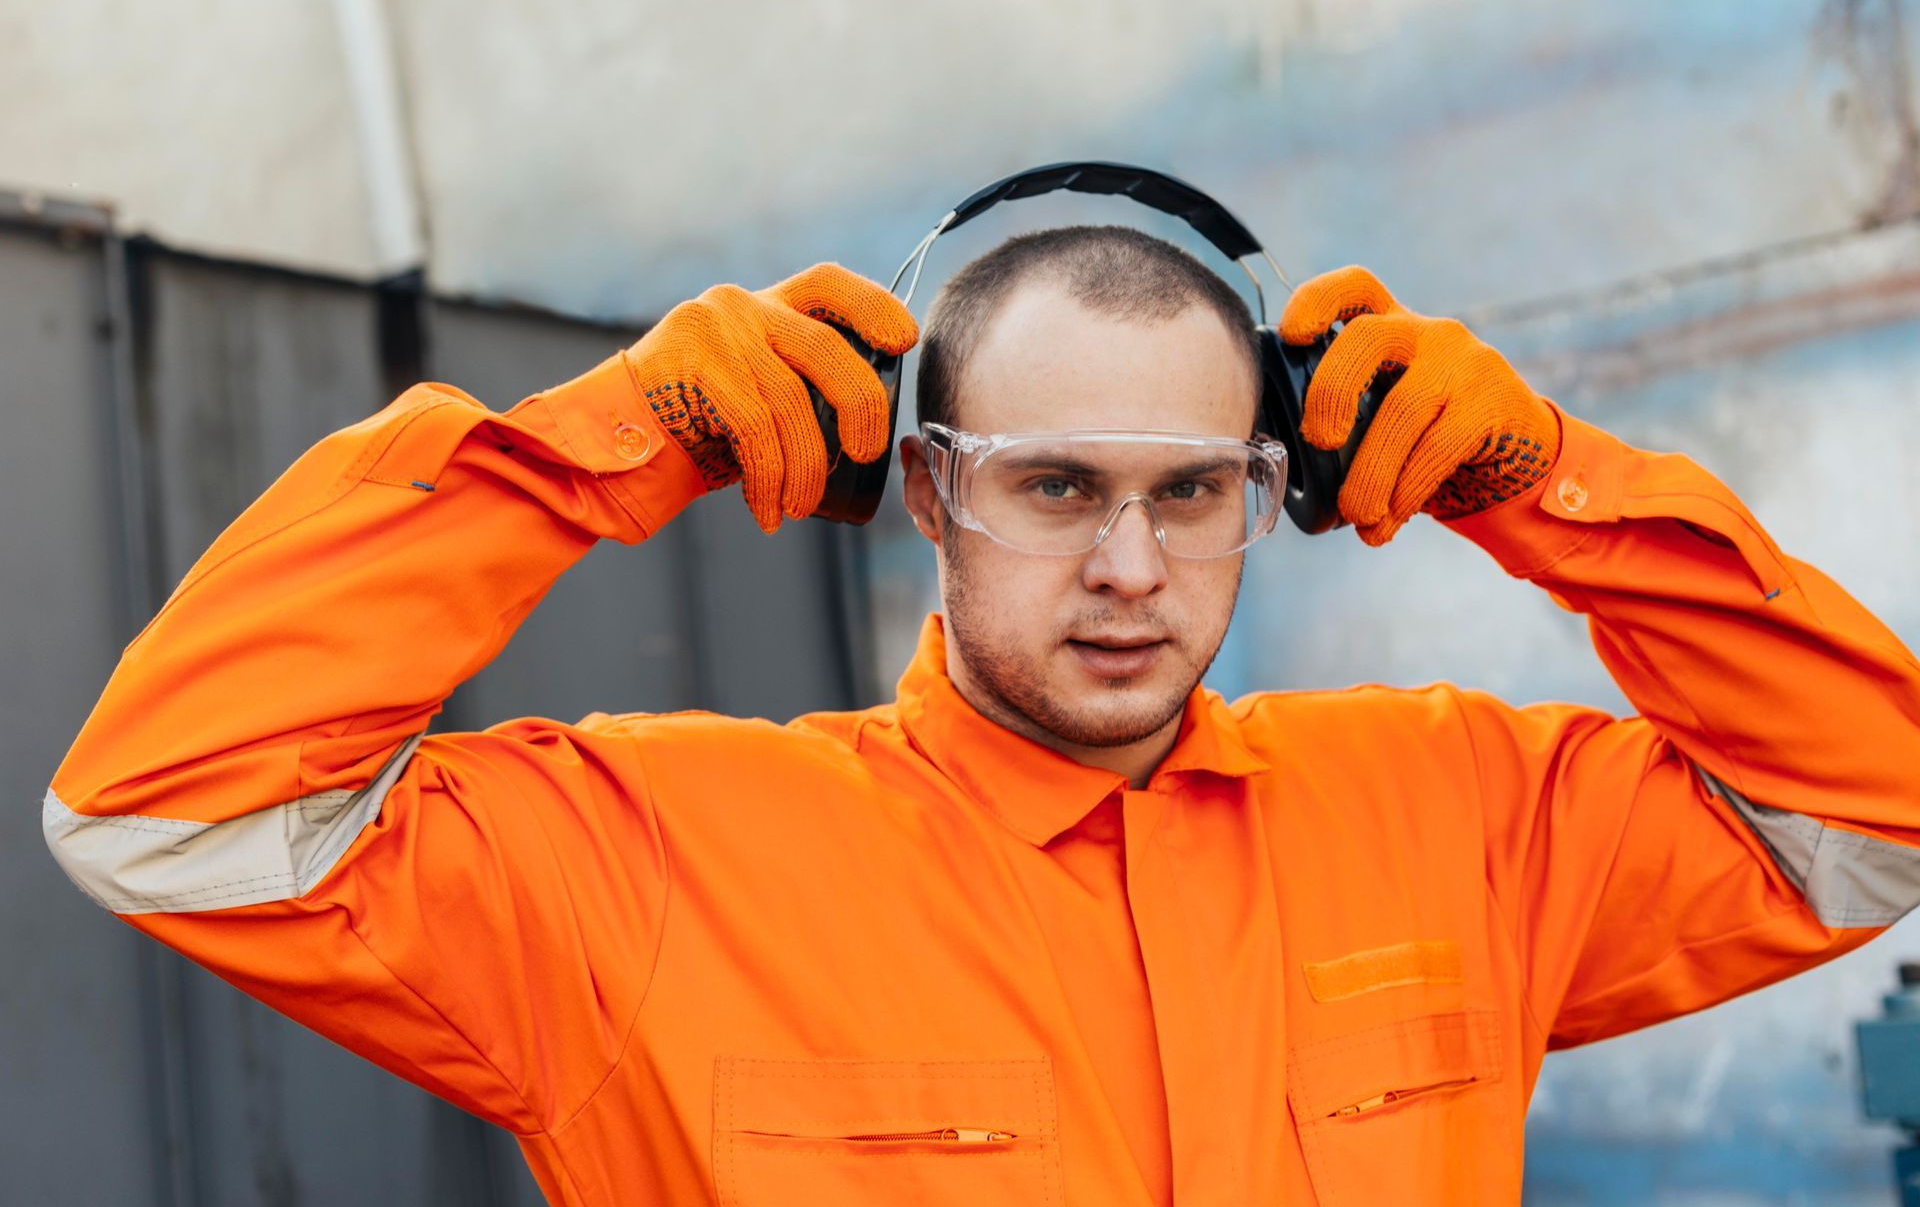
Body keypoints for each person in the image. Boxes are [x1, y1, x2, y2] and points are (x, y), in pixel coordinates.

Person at [43, 228, 1920, 1206]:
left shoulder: (1463, 817)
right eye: (1053, 486)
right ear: (927, 491)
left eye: (1191, 492)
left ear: (1277, 486)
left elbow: (1878, 808)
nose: (1130, 566)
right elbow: (161, 812)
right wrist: (611, 447)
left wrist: (1549, 482)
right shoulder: (645, 871)